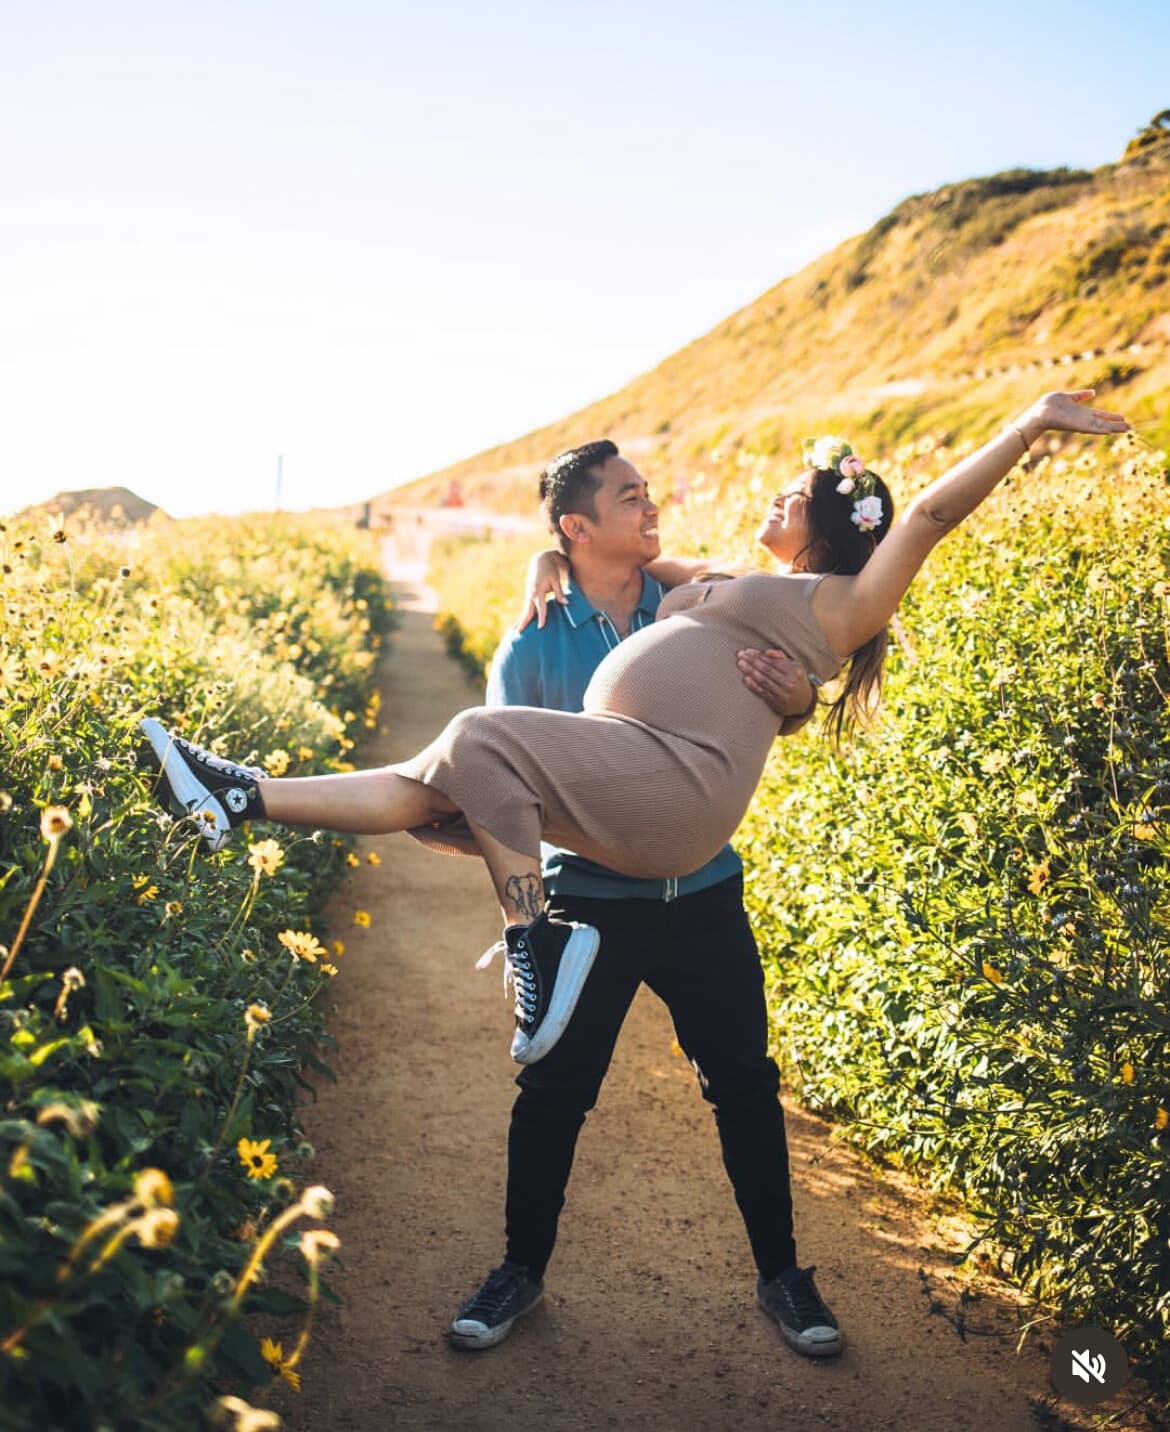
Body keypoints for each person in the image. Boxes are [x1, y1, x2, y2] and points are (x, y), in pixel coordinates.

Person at [141, 388, 1128, 1073]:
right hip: (638, 774)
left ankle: (533, 938)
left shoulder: (836, 604)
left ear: (828, 520)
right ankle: (242, 796)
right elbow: (617, 551)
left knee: (479, 735)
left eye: (794, 493)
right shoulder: (731, 581)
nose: (775, 496)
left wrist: (1029, 425)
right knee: (433, 772)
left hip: (675, 793)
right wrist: (545, 559)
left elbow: (929, 512)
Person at [444, 440, 839, 1356]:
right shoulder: (535, 636)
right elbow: (496, 775)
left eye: (650, 492)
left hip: (704, 894)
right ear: (578, 526)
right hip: (591, 903)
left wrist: (801, 700)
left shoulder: (697, 600)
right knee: (553, 1091)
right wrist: (529, 909)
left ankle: (784, 1279)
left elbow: (795, 664)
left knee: (744, 1085)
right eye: (630, 497)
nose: (651, 505)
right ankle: (520, 1273)